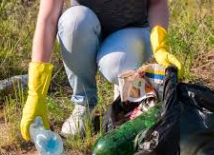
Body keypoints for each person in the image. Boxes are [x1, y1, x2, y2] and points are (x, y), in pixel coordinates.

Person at [20, 0, 183, 141]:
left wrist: (160, 45)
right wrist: (36, 93)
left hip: (132, 30)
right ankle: (83, 104)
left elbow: (157, 2)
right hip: (84, 26)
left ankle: (123, 93)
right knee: (73, 22)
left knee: (116, 64)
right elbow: (48, 18)